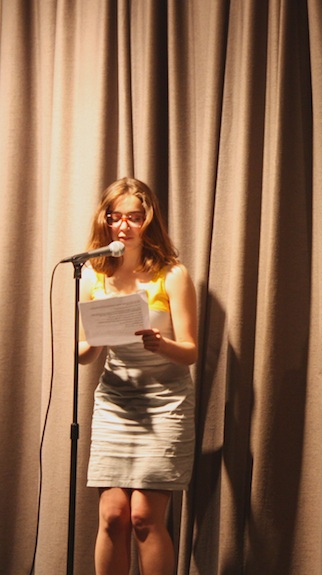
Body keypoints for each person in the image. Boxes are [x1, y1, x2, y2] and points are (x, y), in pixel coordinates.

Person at [78, 177, 198, 575]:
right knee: (113, 514)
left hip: (165, 403)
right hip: (116, 400)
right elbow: (83, 353)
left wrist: (160, 344)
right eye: (116, 217)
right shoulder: (94, 275)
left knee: (143, 516)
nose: (124, 226)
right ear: (105, 221)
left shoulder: (172, 274)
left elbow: (191, 351)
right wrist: (93, 341)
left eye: (134, 217)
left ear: (149, 221)